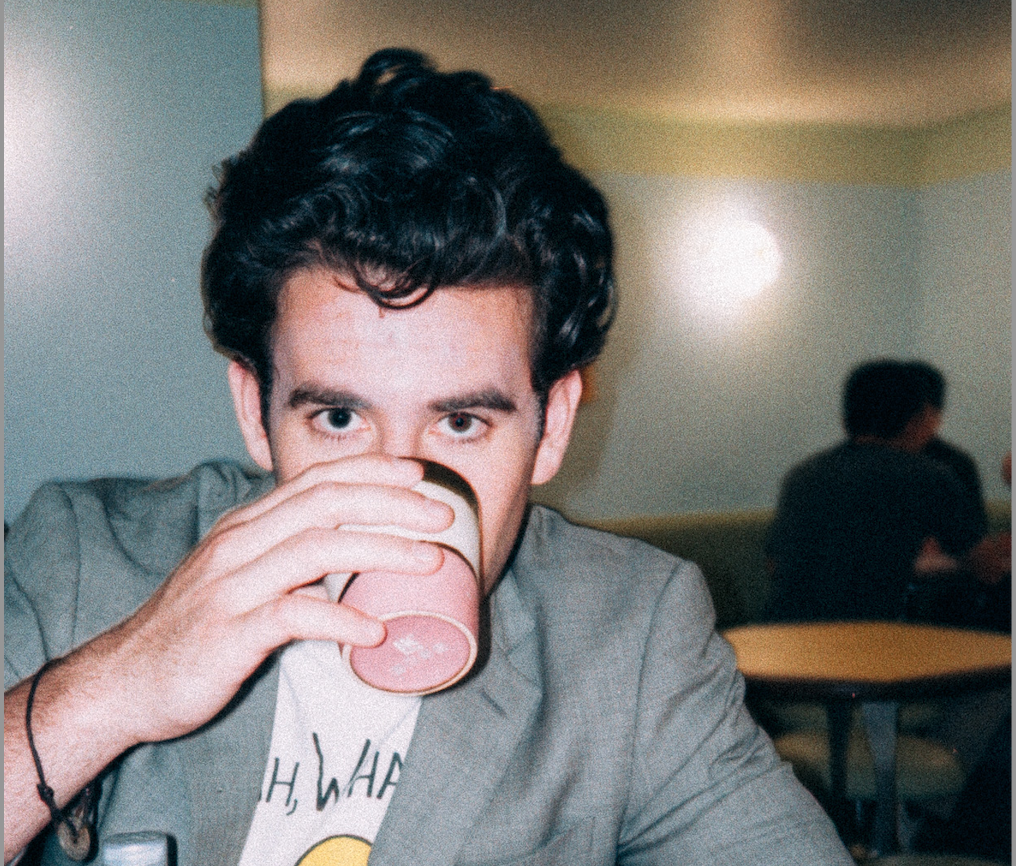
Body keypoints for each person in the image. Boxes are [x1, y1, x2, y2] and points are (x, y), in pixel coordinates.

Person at [4, 50, 853, 866]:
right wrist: (106, 693)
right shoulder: (81, 562)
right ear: (255, 412)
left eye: (461, 423)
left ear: (552, 425)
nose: (399, 498)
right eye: (340, 418)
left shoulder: (629, 640)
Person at [765, 359, 985, 622]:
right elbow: (985, 565)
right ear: (913, 422)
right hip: (873, 636)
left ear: (846, 420)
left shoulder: (802, 475)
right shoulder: (929, 476)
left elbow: (774, 564)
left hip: (784, 632)